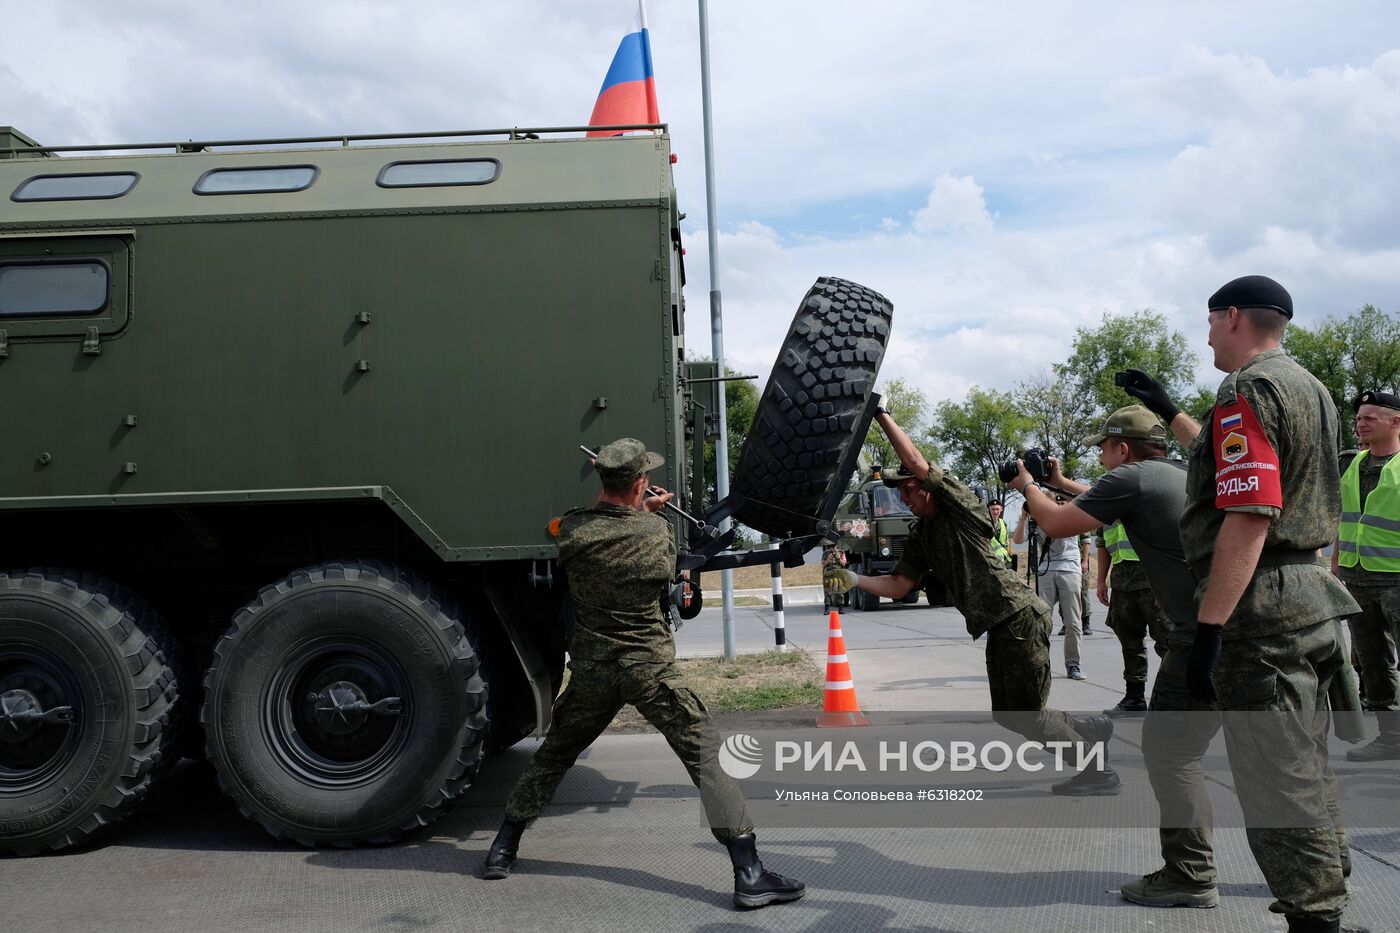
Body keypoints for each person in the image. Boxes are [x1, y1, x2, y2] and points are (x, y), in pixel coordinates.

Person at [1120, 275, 1359, 933]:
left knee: (1275, 778)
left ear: (1232, 317)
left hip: (1261, 611)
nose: (1205, 337)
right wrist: (1168, 408)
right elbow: (1235, 466)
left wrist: (1209, 626)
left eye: (1208, 323)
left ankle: (1316, 917)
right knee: (1303, 764)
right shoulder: (1310, 387)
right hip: (1308, 597)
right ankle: (1327, 884)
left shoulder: (1245, 390)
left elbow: (1250, 511)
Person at [482, 438, 804, 909]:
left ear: (603, 481)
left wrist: (624, 498)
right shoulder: (656, 533)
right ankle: (749, 873)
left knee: (553, 757)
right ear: (640, 483)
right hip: (649, 669)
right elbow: (663, 571)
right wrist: (647, 510)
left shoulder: (573, 531)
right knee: (705, 758)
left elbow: (591, 523)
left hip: (593, 670)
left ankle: (503, 848)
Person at [826, 407, 1120, 795]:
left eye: (908, 489)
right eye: (898, 492)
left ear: (927, 486)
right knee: (1008, 715)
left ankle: (1097, 770)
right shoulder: (921, 534)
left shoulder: (957, 503)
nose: (904, 497)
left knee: (1027, 715)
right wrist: (853, 579)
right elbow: (899, 585)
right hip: (999, 625)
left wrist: (880, 414)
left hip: (1017, 615)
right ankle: (1088, 729)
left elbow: (916, 460)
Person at [1011, 405, 1218, 908]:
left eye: (1103, 447)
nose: (1101, 456)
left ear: (1122, 449)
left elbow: (1057, 524)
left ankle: (1190, 876)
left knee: (1171, 753)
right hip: (1244, 629)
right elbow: (1110, 500)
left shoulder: (1130, 477)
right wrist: (1062, 481)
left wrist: (1029, 488)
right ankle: (1325, 861)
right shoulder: (1176, 473)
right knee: (1278, 753)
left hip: (1201, 639)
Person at [1333, 390, 1400, 761]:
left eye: (1371, 417)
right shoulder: (1353, 465)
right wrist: (1335, 569)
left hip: (1396, 579)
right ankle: (1390, 738)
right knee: (1372, 665)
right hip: (1358, 580)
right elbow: (1346, 523)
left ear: (1396, 422)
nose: (1361, 423)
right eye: (1359, 418)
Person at [1094, 521, 1168, 716]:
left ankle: (1172, 699)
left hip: (1151, 581)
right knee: (1130, 644)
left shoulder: (1141, 499)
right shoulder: (1107, 509)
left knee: (1168, 643)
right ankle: (1134, 698)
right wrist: (1101, 581)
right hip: (1121, 584)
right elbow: (1102, 544)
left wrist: (1165, 585)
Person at [1012, 506, 1087, 679]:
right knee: (1041, 621)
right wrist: (1024, 516)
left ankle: (1073, 664)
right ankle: (1039, 662)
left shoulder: (1070, 514)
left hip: (1070, 570)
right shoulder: (1037, 520)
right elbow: (1017, 540)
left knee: (1073, 622)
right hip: (1046, 571)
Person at [988, 501, 1013, 568]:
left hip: (1003, 560)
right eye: (993, 509)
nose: (995, 512)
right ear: (988, 509)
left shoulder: (1003, 523)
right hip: (989, 558)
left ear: (1001, 509)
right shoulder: (985, 523)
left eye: (997, 509)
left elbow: (1007, 541)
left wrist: (1010, 554)